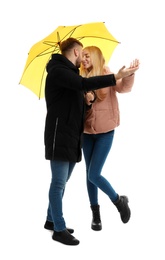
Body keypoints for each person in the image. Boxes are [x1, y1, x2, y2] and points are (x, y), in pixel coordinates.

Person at [43, 37, 139, 246]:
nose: (84, 58)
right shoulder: (61, 71)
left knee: (63, 181)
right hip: (62, 135)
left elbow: (75, 102)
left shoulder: (71, 73)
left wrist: (88, 100)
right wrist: (114, 77)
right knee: (59, 182)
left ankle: (51, 220)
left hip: (72, 135)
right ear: (76, 52)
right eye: (82, 53)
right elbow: (83, 84)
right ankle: (58, 228)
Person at [80, 46, 139, 231]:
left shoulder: (107, 73)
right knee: (89, 176)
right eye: (82, 57)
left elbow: (123, 88)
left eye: (87, 56)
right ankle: (96, 215)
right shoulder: (80, 78)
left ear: (97, 56)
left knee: (93, 174)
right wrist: (86, 99)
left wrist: (128, 74)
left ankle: (118, 201)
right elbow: (79, 107)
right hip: (87, 133)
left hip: (106, 132)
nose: (84, 60)